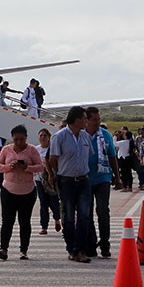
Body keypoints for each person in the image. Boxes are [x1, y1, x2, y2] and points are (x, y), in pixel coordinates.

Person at [49, 106, 92, 263]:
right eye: (84, 119)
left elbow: (89, 156)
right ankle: (71, 248)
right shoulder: (59, 137)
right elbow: (52, 159)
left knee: (84, 216)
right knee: (68, 217)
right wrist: (58, 174)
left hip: (83, 180)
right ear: (77, 119)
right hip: (66, 181)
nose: (86, 122)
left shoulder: (85, 137)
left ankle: (80, 249)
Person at [0, 124, 41, 261]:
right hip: (8, 190)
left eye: (22, 139)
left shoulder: (32, 150)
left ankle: (23, 251)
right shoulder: (6, 150)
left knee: (24, 221)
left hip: (27, 191)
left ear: (26, 138)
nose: (19, 143)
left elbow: (40, 167)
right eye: (16, 140)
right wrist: (9, 167)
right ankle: (3, 249)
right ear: (12, 139)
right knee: (7, 221)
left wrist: (26, 167)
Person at [85, 107, 122, 258]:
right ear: (86, 121)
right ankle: (91, 244)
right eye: (94, 120)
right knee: (87, 214)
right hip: (85, 179)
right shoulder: (81, 135)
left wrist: (117, 178)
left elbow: (112, 156)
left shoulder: (105, 135)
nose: (97, 122)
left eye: (99, 119)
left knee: (102, 211)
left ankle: (105, 243)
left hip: (103, 178)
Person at [34, 128, 61, 235]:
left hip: (52, 180)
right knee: (43, 202)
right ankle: (44, 226)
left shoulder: (53, 149)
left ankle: (57, 219)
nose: (43, 137)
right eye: (41, 135)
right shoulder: (36, 150)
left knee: (54, 202)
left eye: (45, 135)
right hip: (39, 180)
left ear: (49, 137)